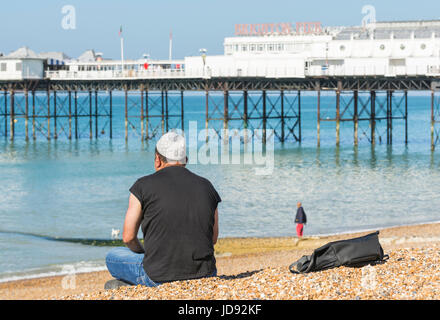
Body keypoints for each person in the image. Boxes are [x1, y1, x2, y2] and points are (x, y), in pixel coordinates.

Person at [105, 131, 221, 288]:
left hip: (158, 275)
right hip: (206, 274)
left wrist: (144, 253)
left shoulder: (142, 186)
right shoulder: (207, 186)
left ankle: (131, 286)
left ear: (157, 160)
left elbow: (128, 237)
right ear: (185, 160)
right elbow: (213, 239)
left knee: (112, 256)